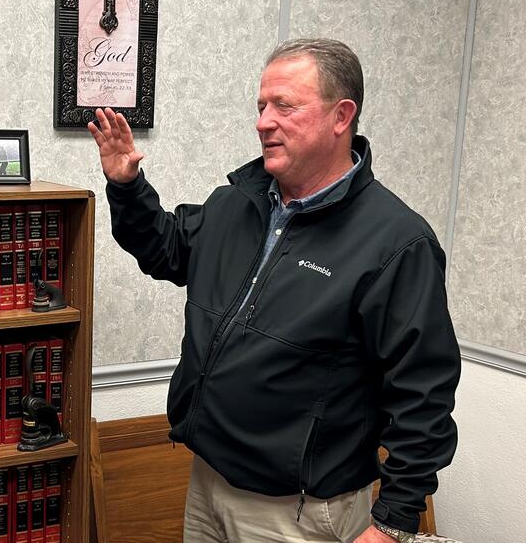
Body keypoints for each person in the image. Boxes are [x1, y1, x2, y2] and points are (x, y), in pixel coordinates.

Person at [88, 38, 460, 543]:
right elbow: (166, 250)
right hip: (209, 481)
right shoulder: (236, 203)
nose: (263, 121)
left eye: (284, 105)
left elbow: (424, 390)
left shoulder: (397, 242)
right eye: (261, 106)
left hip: (300, 511)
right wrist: (127, 187)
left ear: (340, 115)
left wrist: (394, 520)